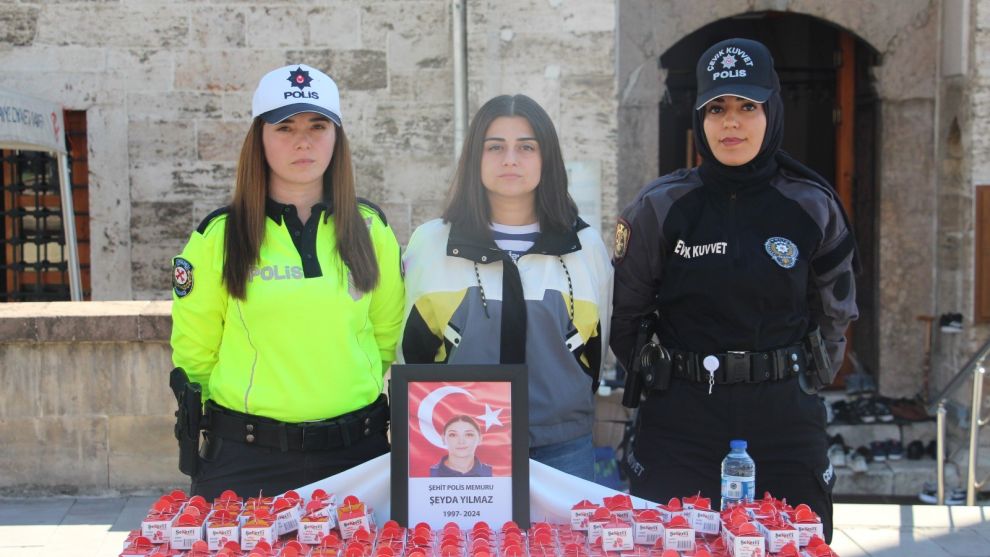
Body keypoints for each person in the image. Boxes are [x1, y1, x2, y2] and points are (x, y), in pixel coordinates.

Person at [611, 38, 857, 541]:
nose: (731, 123)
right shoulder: (661, 207)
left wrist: (809, 376)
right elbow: (627, 317)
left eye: (748, 106)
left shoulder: (812, 205)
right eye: (716, 108)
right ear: (698, 118)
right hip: (681, 418)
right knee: (667, 546)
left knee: (797, 545)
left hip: (783, 414)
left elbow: (838, 306)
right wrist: (665, 378)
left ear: (772, 111)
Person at [170, 64, 405, 500]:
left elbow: (387, 334)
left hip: (359, 456)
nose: (303, 140)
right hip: (246, 460)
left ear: (337, 137)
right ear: (259, 138)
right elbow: (195, 353)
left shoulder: (372, 230)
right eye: (285, 126)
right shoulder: (219, 236)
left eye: (318, 125)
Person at [400, 94, 614, 482]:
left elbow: (598, 348)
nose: (510, 159)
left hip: (562, 447)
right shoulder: (430, 242)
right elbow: (409, 350)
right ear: (474, 159)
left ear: (546, 158)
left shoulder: (586, 247)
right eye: (495, 147)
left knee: (564, 546)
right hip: (459, 446)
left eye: (526, 147)